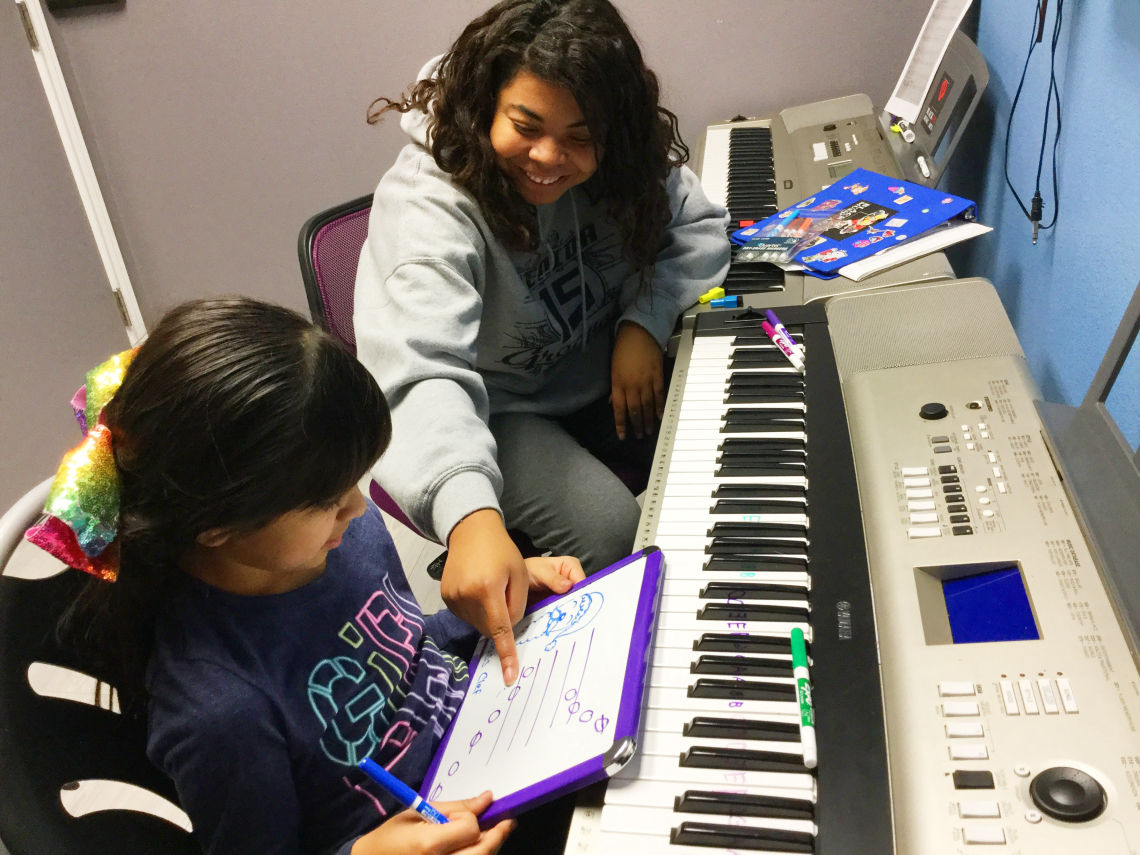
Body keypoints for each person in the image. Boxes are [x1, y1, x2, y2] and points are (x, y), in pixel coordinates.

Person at [27, 297, 584, 855]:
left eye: (353, 480)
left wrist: (487, 611)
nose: (358, 508)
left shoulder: (339, 539)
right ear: (217, 527)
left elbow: (402, 658)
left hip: (493, 745)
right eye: (326, 500)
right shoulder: (220, 714)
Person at [355, 0, 730, 684]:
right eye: (526, 127)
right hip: (499, 409)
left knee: (727, 434)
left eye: (580, 138)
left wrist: (643, 323)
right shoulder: (426, 207)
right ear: (484, 108)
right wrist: (469, 515)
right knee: (611, 531)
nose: (550, 157)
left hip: (602, 366)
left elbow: (696, 227)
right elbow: (420, 372)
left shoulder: (620, 160)